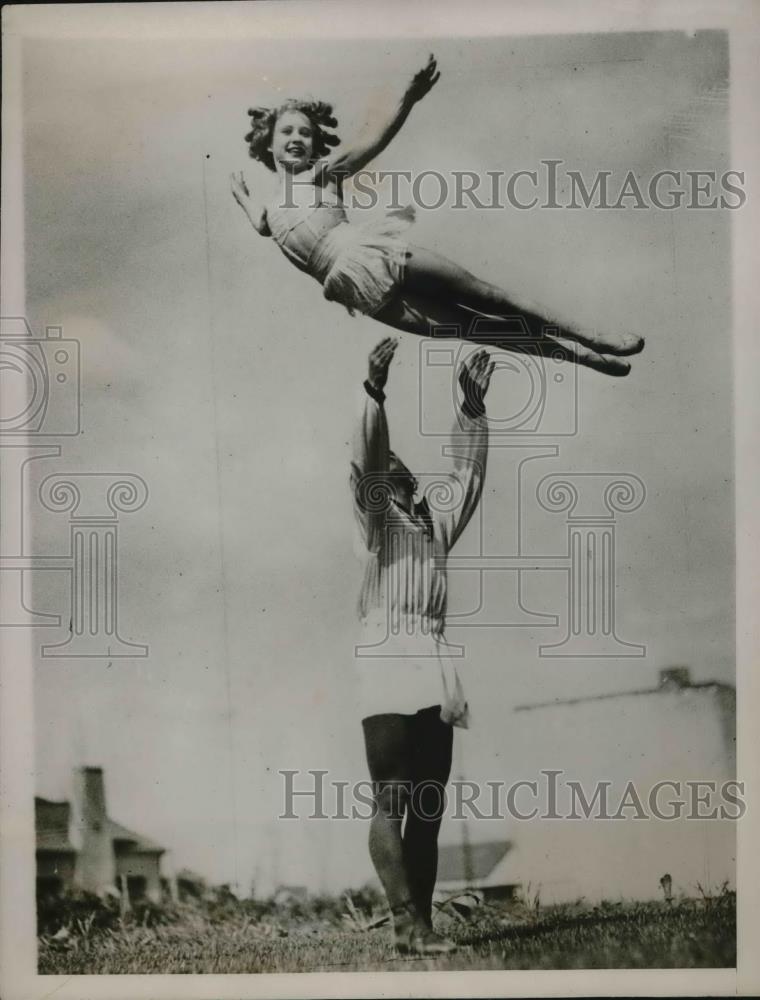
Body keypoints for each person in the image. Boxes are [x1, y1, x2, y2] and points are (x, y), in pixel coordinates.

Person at [230, 55, 644, 377]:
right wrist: (244, 198)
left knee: (489, 297)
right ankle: (585, 358)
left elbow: (372, 141)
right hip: (355, 289)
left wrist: (407, 98)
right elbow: (264, 225)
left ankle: (591, 334)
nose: (297, 138)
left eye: (305, 132)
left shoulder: (321, 176)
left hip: (372, 253)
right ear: (268, 142)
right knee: (478, 329)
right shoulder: (268, 206)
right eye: (287, 132)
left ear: (316, 142)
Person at [350, 336, 493, 955]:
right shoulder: (375, 524)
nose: (396, 474)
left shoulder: (434, 522)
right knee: (394, 793)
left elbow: (468, 475)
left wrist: (470, 408)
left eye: (400, 472)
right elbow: (368, 456)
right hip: (385, 651)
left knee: (429, 804)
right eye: (387, 469)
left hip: (434, 658)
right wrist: (375, 394)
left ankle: (424, 928)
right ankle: (403, 919)